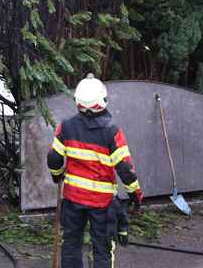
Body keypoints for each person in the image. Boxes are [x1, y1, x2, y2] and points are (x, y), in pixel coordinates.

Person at [46, 74, 143, 268]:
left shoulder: (66, 127)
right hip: (102, 204)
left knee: (71, 245)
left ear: (78, 101)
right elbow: (125, 168)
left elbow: (54, 158)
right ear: (103, 100)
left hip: (73, 200)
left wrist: (57, 176)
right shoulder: (111, 130)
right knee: (102, 249)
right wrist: (136, 195)